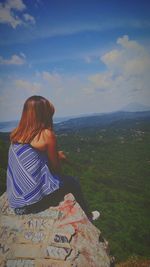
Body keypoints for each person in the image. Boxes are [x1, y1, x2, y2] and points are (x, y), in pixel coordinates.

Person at [7, 95, 100, 221]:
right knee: (72, 182)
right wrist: (58, 158)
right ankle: (88, 216)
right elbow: (56, 169)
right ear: (44, 114)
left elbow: (32, 159)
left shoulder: (16, 134)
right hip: (32, 204)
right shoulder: (46, 134)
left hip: (16, 204)